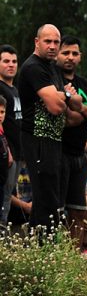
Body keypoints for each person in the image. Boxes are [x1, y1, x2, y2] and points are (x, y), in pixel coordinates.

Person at [17, 24, 83, 237]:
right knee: (46, 197)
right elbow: (57, 107)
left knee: (51, 197)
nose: (53, 46)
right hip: (37, 138)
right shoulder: (33, 67)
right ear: (37, 42)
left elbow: (72, 106)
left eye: (56, 42)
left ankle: (39, 249)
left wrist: (63, 96)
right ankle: (45, 248)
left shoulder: (52, 68)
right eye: (48, 41)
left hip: (53, 140)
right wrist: (65, 96)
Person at [57, 36, 87, 251]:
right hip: (57, 152)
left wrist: (82, 108)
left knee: (79, 209)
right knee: (57, 211)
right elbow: (66, 119)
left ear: (80, 57)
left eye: (74, 53)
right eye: (65, 52)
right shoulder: (52, 80)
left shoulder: (83, 83)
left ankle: (74, 256)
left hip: (80, 155)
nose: (70, 57)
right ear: (57, 54)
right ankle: (56, 258)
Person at [0, 45, 22, 227]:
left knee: (8, 196)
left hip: (18, 153)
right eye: (6, 61)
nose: (11, 65)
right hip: (6, 153)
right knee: (3, 196)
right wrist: (7, 150)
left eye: (14, 61)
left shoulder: (15, 90)